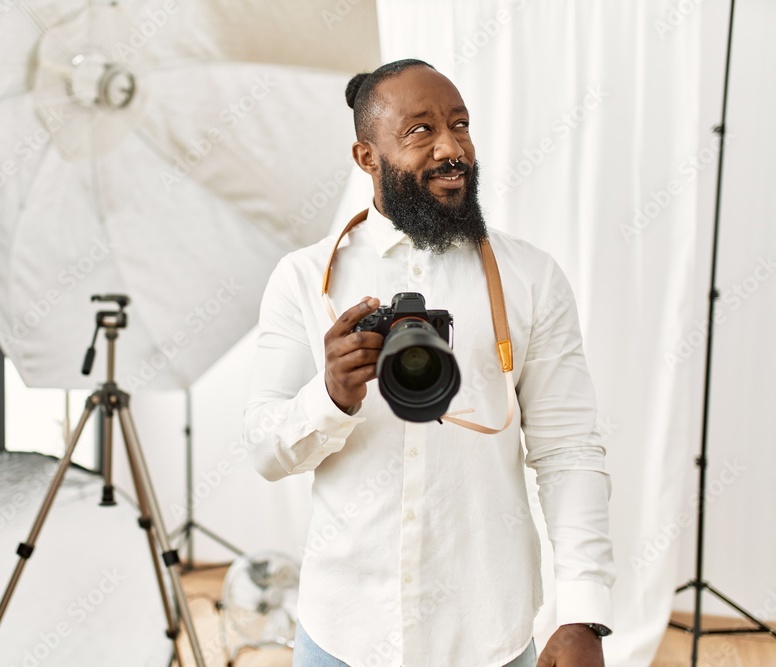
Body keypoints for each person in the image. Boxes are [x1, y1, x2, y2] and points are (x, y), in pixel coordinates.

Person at [242, 59, 616, 667]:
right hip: (343, 635)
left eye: (460, 124)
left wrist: (583, 613)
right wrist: (330, 395)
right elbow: (264, 452)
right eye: (420, 130)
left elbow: (569, 450)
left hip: (487, 638)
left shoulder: (531, 277)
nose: (452, 148)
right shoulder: (305, 278)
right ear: (366, 157)